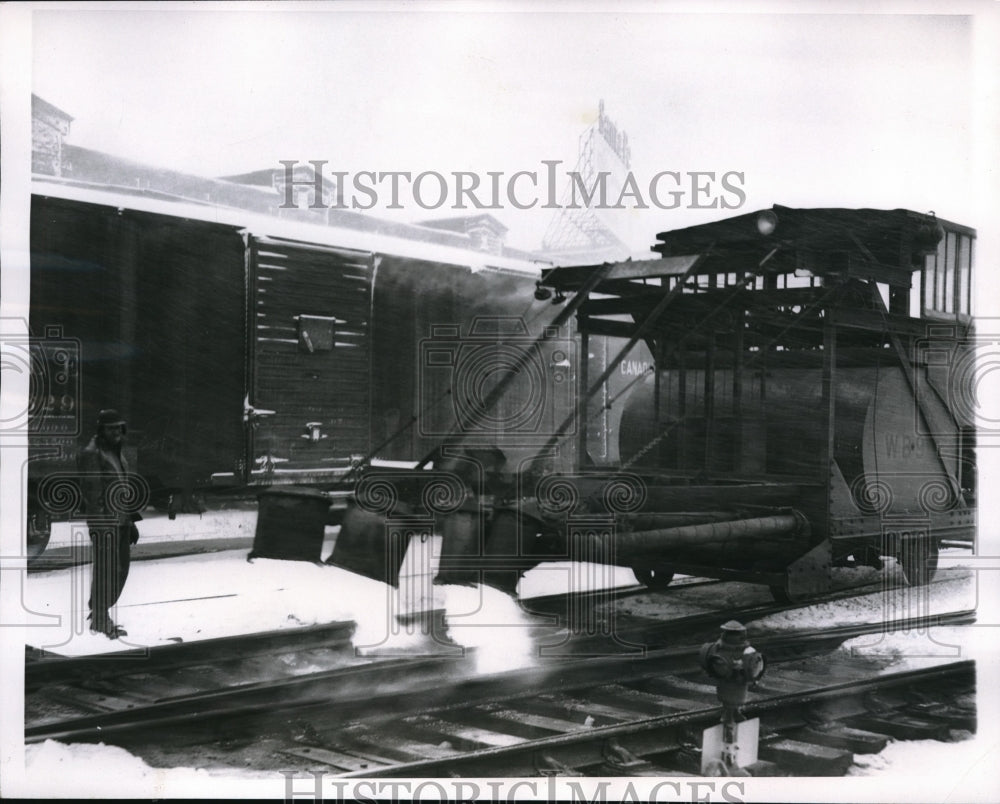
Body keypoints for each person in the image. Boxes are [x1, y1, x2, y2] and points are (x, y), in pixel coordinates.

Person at [78, 409, 141, 639]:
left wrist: (132, 521)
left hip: (121, 522)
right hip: (105, 525)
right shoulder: (92, 453)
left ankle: (99, 613)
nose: (116, 432)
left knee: (120, 571)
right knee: (106, 573)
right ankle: (101, 619)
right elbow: (93, 497)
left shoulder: (116, 450)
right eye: (111, 428)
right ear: (101, 429)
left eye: (118, 427)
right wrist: (102, 528)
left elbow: (123, 488)